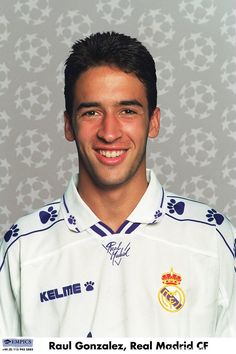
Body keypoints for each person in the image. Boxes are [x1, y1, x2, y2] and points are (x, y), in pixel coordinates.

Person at [0, 31, 235, 337]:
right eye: (92, 112)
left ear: (153, 121)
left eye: (127, 111)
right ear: (69, 125)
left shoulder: (213, 239)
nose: (109, 133)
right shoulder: (23, 248)